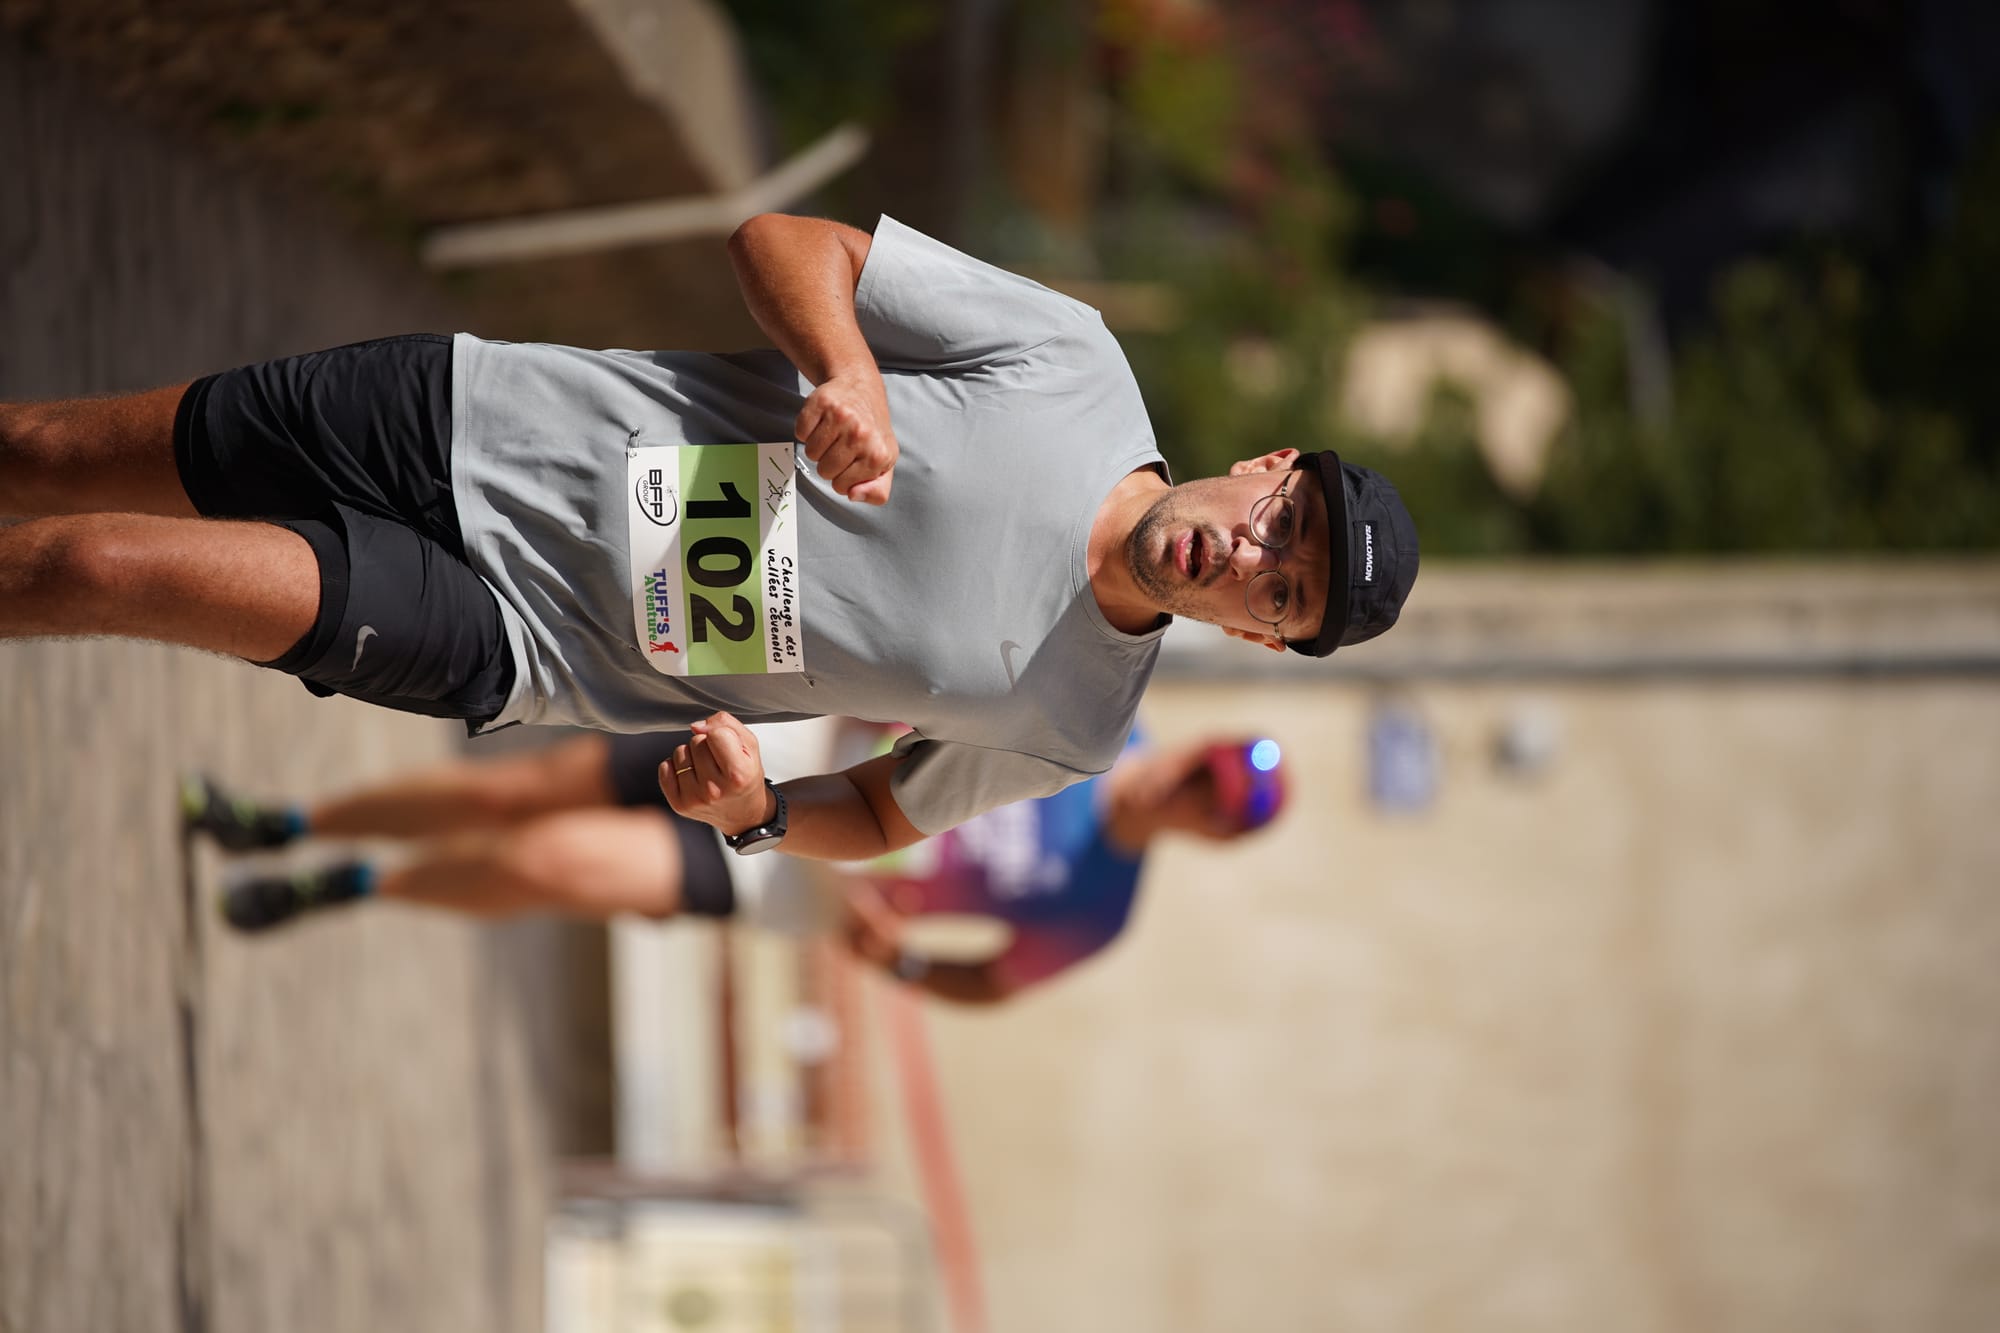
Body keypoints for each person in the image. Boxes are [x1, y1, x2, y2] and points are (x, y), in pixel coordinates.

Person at [1, 213, 1415, 859]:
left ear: (1254, 635)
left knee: (106, 566)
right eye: (1275, 524)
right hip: (476, 415)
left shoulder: (1075, 722)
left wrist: (755, 818)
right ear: (1266, 464)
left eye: (1275, 595)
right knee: (41, 455)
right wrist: (846, 366)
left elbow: (879, 813)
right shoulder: (1076, 364)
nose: (1246, 556)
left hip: (517, 635)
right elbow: (783, 244)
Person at [182, 724, 1291, 1004]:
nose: (1191, 788)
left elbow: (991, 984)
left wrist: (899, 964)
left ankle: (356, 882)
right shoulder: (1084, 736)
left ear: (1216, 835)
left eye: (1215, 803)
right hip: (800, 759)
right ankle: (290, 820)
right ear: (1192, 750)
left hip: (798, 877)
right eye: (1205, 767)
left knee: (551, 861)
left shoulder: (1098, 909)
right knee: (514, 790)